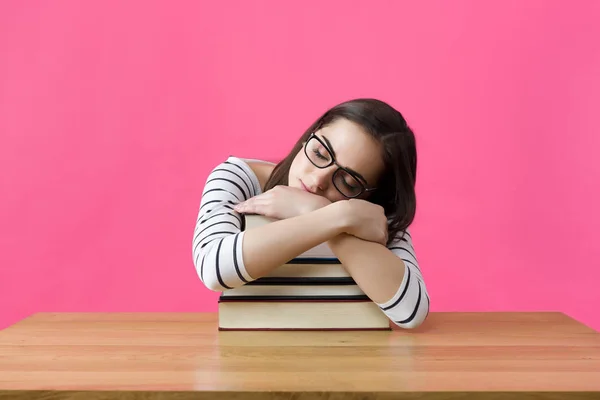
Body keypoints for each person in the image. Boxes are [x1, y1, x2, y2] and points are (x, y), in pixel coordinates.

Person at [192, 98, 430, 329]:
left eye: (348, 183)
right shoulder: (239, 177)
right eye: (319, 154)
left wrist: (314, 210)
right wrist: (336, 216)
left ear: (372, 195)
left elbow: (410, 312)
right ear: (309, 136)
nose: (317, 180)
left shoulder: (372, 215)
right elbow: (213, 269)